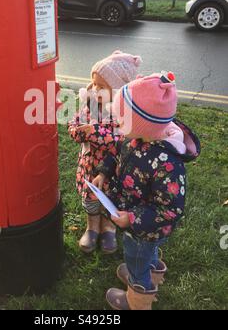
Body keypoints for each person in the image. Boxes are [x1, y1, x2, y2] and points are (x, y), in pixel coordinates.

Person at [93, 72, 201, 309]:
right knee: (146, 253)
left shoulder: (168, 163)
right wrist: (103, 172)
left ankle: (137, 295)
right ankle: (151, 271)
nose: (117, 123)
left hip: (144, 227)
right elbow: (117, 154)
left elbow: (170, 209)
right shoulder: (136, 138)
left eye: (122, 119)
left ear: (142, 122)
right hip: (134, 218)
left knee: (136, 257)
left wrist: (131, 218)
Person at [68, 51, 142, 254]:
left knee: (109, 198)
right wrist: (78, 131)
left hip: (112, 167)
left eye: (101, 86)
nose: (94, 89)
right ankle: (92, 226)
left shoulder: (123, 113)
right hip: (89, 164)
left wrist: (94, 132)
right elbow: (74, 124)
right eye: (93, 83)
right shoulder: (88, 107)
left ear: (117, 91)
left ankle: (108, 227)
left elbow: (119, 140)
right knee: (90, 198)